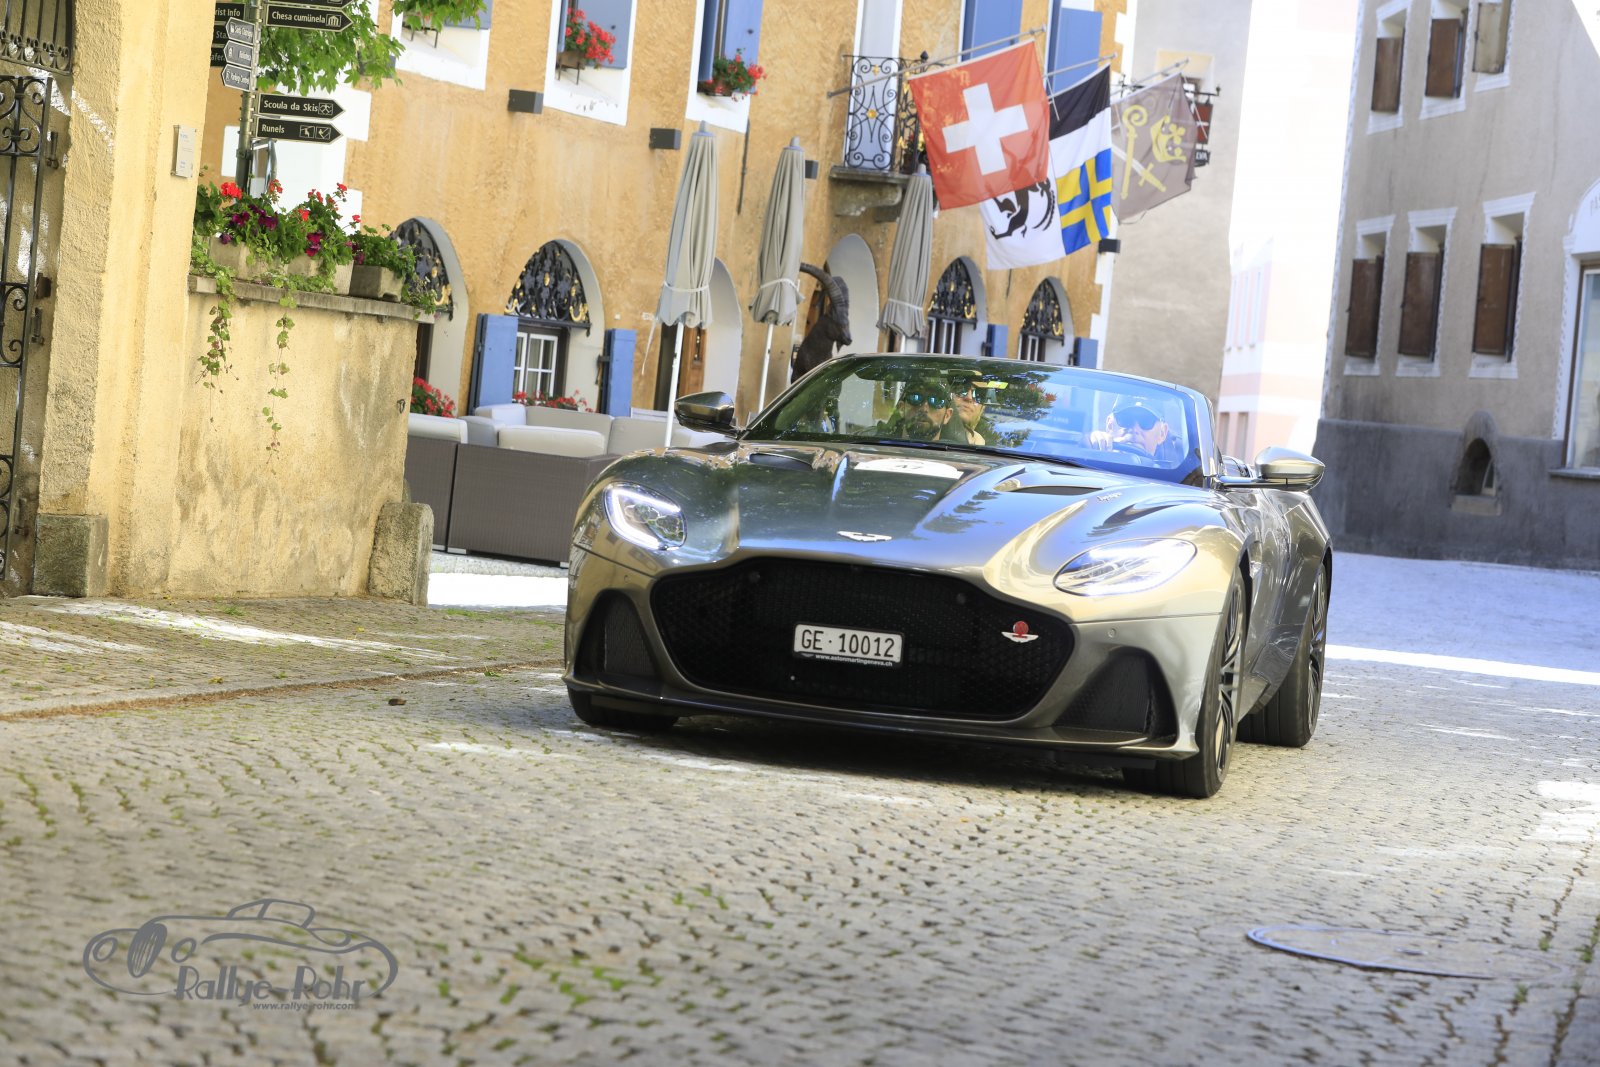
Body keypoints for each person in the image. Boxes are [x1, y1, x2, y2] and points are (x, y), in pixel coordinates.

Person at [871, 378, 964, 442]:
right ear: (901, 408)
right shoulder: (870, 445)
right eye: (915, 398)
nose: (924, 408)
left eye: (935, 400)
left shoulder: (960, 458)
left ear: (947, 415)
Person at [1090, 400, 1171, 457]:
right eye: (1125, 419)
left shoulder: (1171, 473)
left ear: (1162, 433)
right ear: (1110, 426)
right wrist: (1090, 446)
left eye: (1146, 421)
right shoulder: (1095, 459)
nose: (1135, 429)